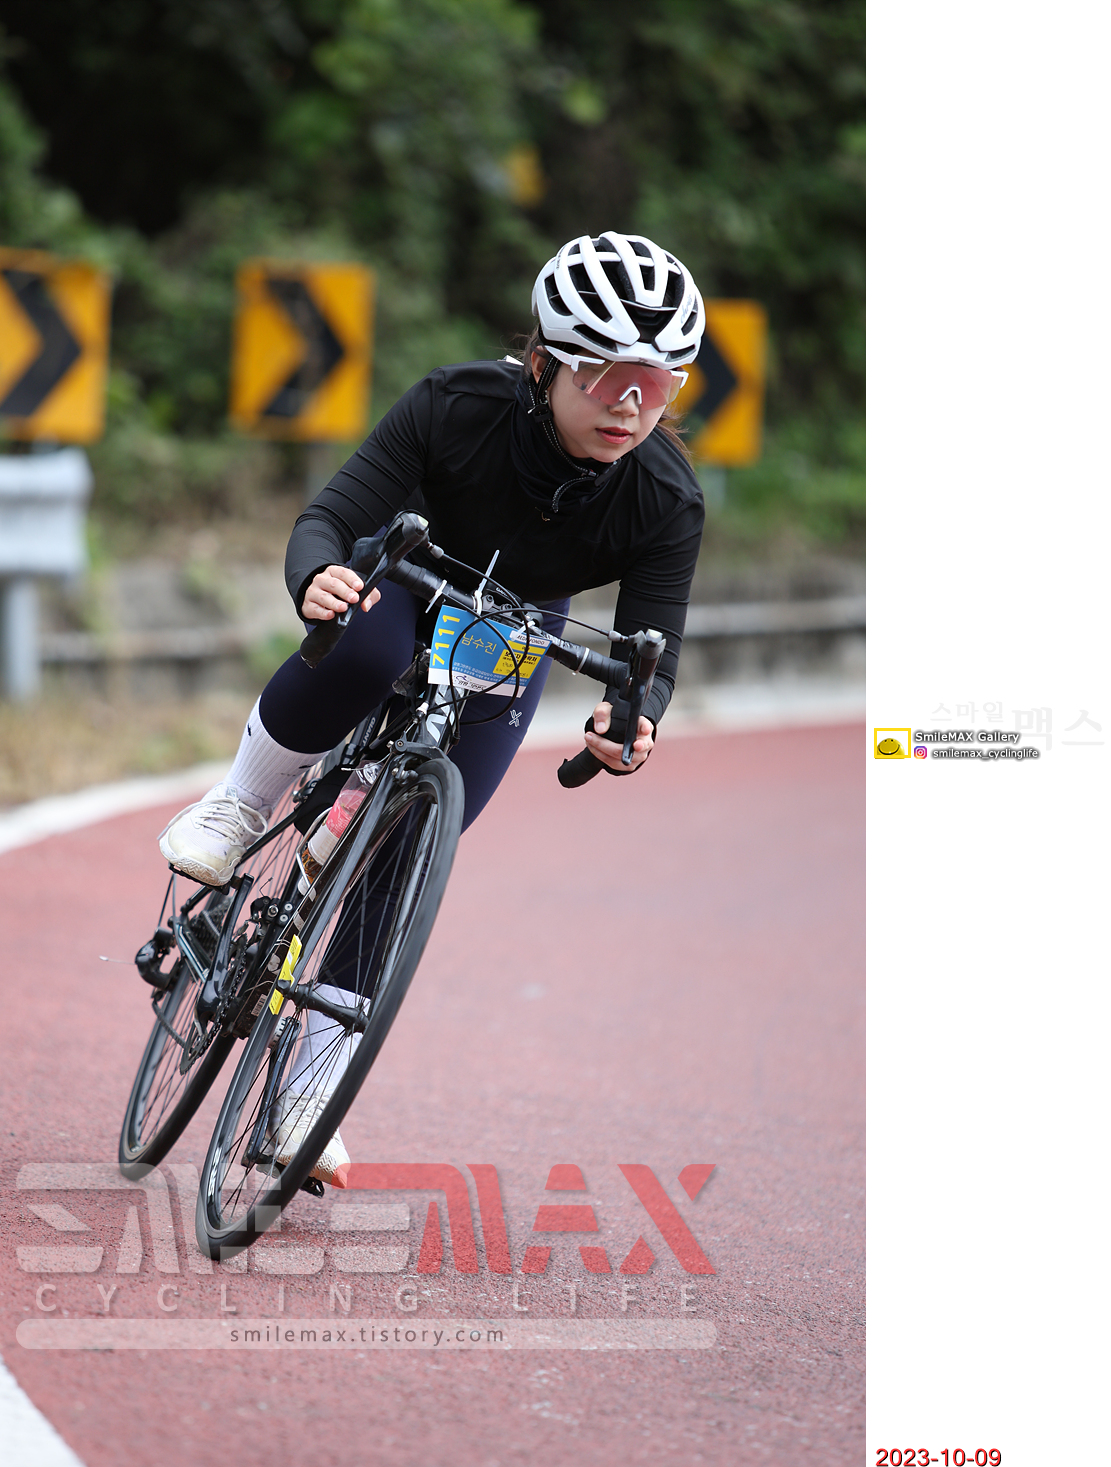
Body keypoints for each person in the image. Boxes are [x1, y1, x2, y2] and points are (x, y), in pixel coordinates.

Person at [159, 232, 707, 1186]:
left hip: (513, 626)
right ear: (544, 364)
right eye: (607, 375)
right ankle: (242, 800)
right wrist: (317, 576)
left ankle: (307, 1091)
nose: (631, 404)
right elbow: (327, 518)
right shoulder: (457, 405)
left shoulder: (665, 496)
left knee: (419, 837)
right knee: (368, 653)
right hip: (405, 566)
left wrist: (632, 717)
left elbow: (649, 653)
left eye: (658, 384)